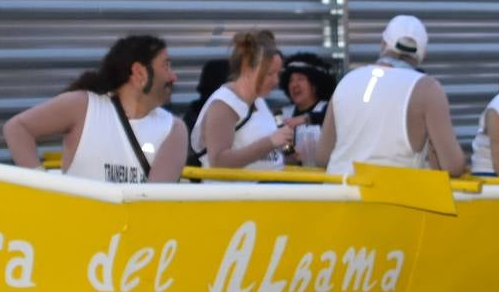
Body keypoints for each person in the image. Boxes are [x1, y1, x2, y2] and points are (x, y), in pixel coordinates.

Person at [2, 34, 186, 184]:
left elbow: (154, 203)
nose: (174, 76)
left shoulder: (173, 129)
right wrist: (44, 188)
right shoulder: (82, 106)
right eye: (166, 66)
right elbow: (17, 128)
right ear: (139, 73)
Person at [316, 14, 468, 177]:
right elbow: (453, 165)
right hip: (392, 198)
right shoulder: (428, 89)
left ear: (383, 44)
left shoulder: (346, 81)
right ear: (423, 54)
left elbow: (323, 157)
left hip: (337, 195)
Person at [191, 30, 299, 171]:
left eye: (278, 73)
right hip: (239, 190)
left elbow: (267, 152)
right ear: (247, 68)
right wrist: (270, 142)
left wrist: (287, 152)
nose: (276, 81)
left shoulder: (258, 101)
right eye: (269, 74)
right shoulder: (223, 104)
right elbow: (218, 160)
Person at [280, 51, 336, 166]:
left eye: (300, 79)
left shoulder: (327, 109)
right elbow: (283, 146)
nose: (295, 84)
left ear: (314, 85)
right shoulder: (284, 114)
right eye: (291, 80)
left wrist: (306, 118)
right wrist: (289, 154)